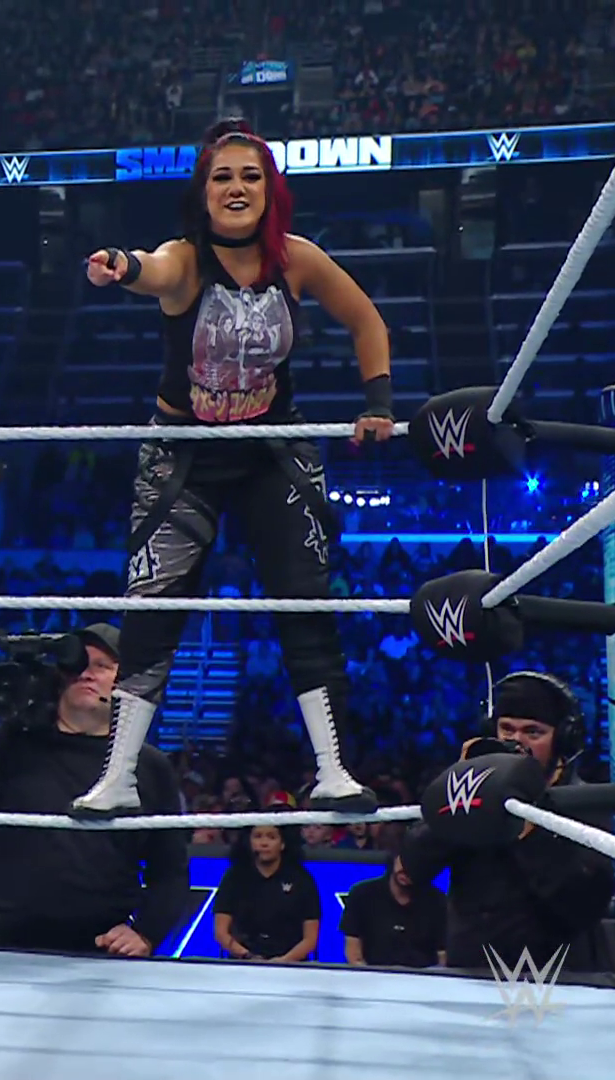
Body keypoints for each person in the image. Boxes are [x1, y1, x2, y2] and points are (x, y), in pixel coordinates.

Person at [73, 119, 392, 817]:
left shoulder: (298, 259)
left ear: (270, 189)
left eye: (251, 175)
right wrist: (122, 264)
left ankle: (334, 772)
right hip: (184, 453)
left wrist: (378, 403)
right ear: (204, 192)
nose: (237, 188)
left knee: (304, 600)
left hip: (272, 448)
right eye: (223, 177)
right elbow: (152, 269)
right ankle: (117, 778)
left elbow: (367, 319)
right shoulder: (186, 260)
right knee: (153, 607)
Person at [0, 625, 189, 955]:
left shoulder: (146, 764)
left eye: (102, 666)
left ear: (126, 683)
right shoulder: (14, 743)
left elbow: (171, 869)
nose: (86, 674)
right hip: (5, 944)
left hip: (100, 949)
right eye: (78, 664)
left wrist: (147, 932)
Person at [400, 671, 615, 975]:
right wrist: (461, 784)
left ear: (561, 739)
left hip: (556, 980)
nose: (517, 742)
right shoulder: (471, 794)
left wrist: (529, 833)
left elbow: (583, 907)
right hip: (472, 976)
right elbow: (413, 867)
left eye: (533, 732)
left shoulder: (585, 804)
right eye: (507, 729)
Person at [213, 821, 320, 962]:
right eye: (258, 836)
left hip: (290, 964)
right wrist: (247, 956)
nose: (264, 843)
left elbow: (310, 939)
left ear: (282, 843)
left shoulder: (302, 879)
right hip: (243, 961)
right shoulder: (234, 877)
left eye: (271, 837)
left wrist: (283, 961)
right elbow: (221, 932)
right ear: (249, 842)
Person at [340, 854, 446, 969]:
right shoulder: (362, 894)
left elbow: (443, 955)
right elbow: (353, 952)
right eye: (403, 861)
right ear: (394, 859)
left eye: (415, 863)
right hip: (373, 975)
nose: (406, 868)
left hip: (422, 977)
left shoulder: (438, 901)